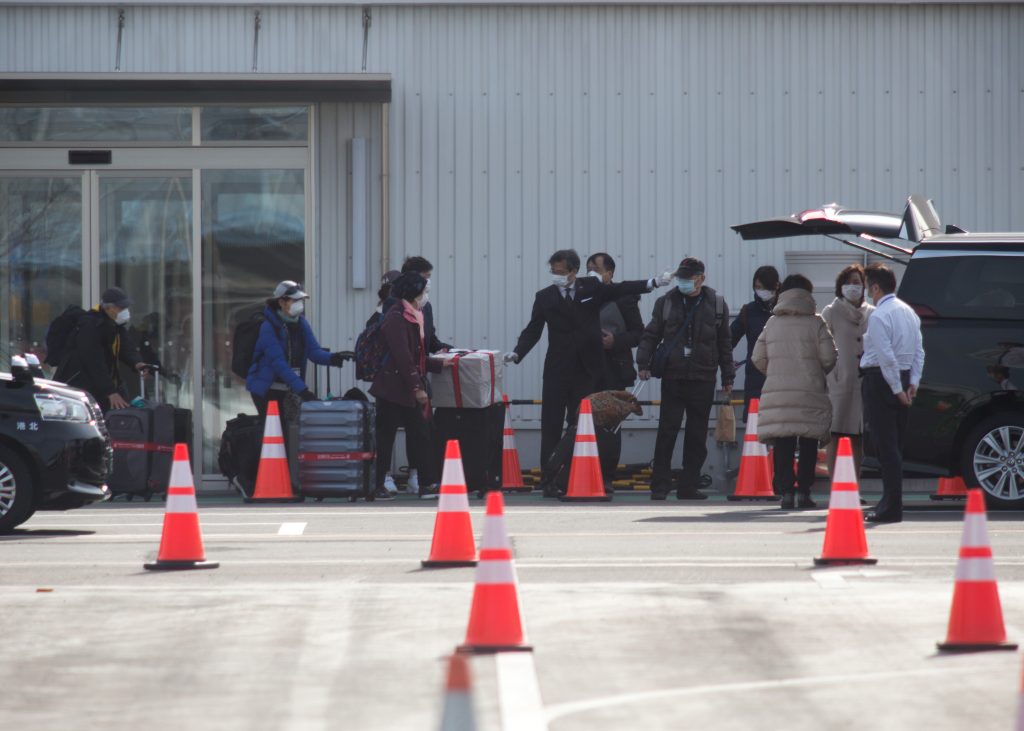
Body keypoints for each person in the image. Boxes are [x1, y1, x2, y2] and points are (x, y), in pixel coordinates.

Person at [505, 249, 670, 469]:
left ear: (574, 271)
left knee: (581, 423)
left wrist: (653, 282)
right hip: (557, 368)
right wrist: (518, 352)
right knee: (551, 424)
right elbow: (533, 329)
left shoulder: (589, 288)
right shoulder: (545, 296)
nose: (556, 276)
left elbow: (621, 288)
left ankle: (574, 473)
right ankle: (549, 477)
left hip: (586, 370)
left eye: (561, 272)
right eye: (553, 271)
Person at [636, 257, 735, 500]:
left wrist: (728, 375)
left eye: (688, 279)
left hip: (704, 376)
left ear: (701, 278)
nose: (683, 282)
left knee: (697, 433)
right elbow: (651, 334)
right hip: (674, 375)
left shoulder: (717, 304)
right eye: (681, 278)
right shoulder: (666, 302)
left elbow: (724, 343)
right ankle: (660, 485)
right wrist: (643, 363)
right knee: (667, 430)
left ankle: (688, 486)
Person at [752, 274, 838, 509]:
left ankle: (787, 493)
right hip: (810, 390)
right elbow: (830, 357)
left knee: (784, 442)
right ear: (808, 294)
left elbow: (757, 357)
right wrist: (816, 372)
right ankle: (804, 492)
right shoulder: (817, 322)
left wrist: (776, 372)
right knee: (809, 442)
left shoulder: (773, 323)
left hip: (778, 392)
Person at [371, 272, 448, 501]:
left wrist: (436, 363)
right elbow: (402, 356)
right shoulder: (396, 317)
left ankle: (427, 483)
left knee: (422, 433)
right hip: (393, 388)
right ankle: (378, 485)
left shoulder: (414, 314)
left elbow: (417, 355)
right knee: (386, 437)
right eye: (423, 291)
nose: (426, 296)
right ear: (414, 293)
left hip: (406, 385)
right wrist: (417, 387)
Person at [860, 263, 925, 524]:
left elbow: (886, 358)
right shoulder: (909, 312)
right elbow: (919, 351)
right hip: (906, 377)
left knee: (885, 446)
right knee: (894, 445)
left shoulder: (879, 315)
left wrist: (897, 390)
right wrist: (913, 383)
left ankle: (890, 507)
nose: (867, 292)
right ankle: (890, 502)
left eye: (867, 287)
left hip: (881, 381)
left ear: (875, 287)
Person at [246, 280, 348, 424]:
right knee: (273, 434)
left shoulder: (301, 323)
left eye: (300, 300)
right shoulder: (268, 327)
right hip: (267, 389)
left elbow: (314, 352)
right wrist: (302, 390)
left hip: (287, 389)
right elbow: (278, 363)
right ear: (281, 302)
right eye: (295, 300)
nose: (299, 304)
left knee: (288, 436)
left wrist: (334, 358)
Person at [54, 287, 148, 412]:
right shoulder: (90, 325)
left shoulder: (115, 324)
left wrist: (137, 362)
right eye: (121, 308)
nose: (125, 312)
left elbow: (126, 346)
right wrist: (110, 392)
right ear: (108, 308)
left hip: (102, 384)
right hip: (81, 386)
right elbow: (93, 361)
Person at [821, 264, 874, 478]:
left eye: (857, 282)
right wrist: (830, 374)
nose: (853, 287)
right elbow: (822, 346)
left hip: (863, 383)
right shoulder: (831, 312)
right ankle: (836, 483)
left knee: (858, 436)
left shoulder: (872, 313)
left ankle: (854, 484)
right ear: (840, 286)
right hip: (837, 383)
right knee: (835, 435)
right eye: (849, 282)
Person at [585, 253, 645, 391]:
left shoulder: (624, 297)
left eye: (596, 270)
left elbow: (639, 333)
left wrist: (615, 341)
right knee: (584, 412)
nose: (591, 274)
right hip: (584, 371)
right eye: (588, 270)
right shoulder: (581, 296)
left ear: (609, 273)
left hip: (614, 370)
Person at [730, 266, 780, 421]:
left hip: (782, 378)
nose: (760, 291)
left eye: (764, 287)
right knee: (754, 426)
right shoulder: (749, 311)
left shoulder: (786, 310)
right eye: (757, 287)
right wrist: (726, 362)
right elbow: (728, 339)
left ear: (776, 286)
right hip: (755, 379)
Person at [382, 256, 452, 355]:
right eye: (424, 277)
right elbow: (399, 349)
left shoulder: (426, 307)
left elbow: (430, 341)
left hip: (420, 369)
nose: (427, 282)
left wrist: (456, 351)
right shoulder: (394, 306)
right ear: (410, 278)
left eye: (428, 278)